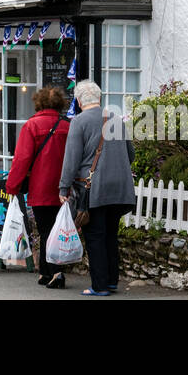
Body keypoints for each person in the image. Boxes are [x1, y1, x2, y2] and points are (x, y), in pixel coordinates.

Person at [59, 79, 136, 296]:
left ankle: (100, 286)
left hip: (94, 189)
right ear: (99, 98)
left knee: (95, 236)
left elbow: (71, 160)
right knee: (111, 235)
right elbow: (131, 155)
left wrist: (63, 188)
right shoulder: (117, 119)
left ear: (78, 100)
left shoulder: (79, 122)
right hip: (120, 189)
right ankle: (111, 281)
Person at [5, 86, 72, 288]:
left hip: (41, 186)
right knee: (56, 229)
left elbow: (22, 159)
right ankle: (45, 272)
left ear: (39, 102)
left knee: (46, 230)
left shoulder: (32, 126)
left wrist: (12, 186)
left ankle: (56, 273)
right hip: (64, 186)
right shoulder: (67, 126)